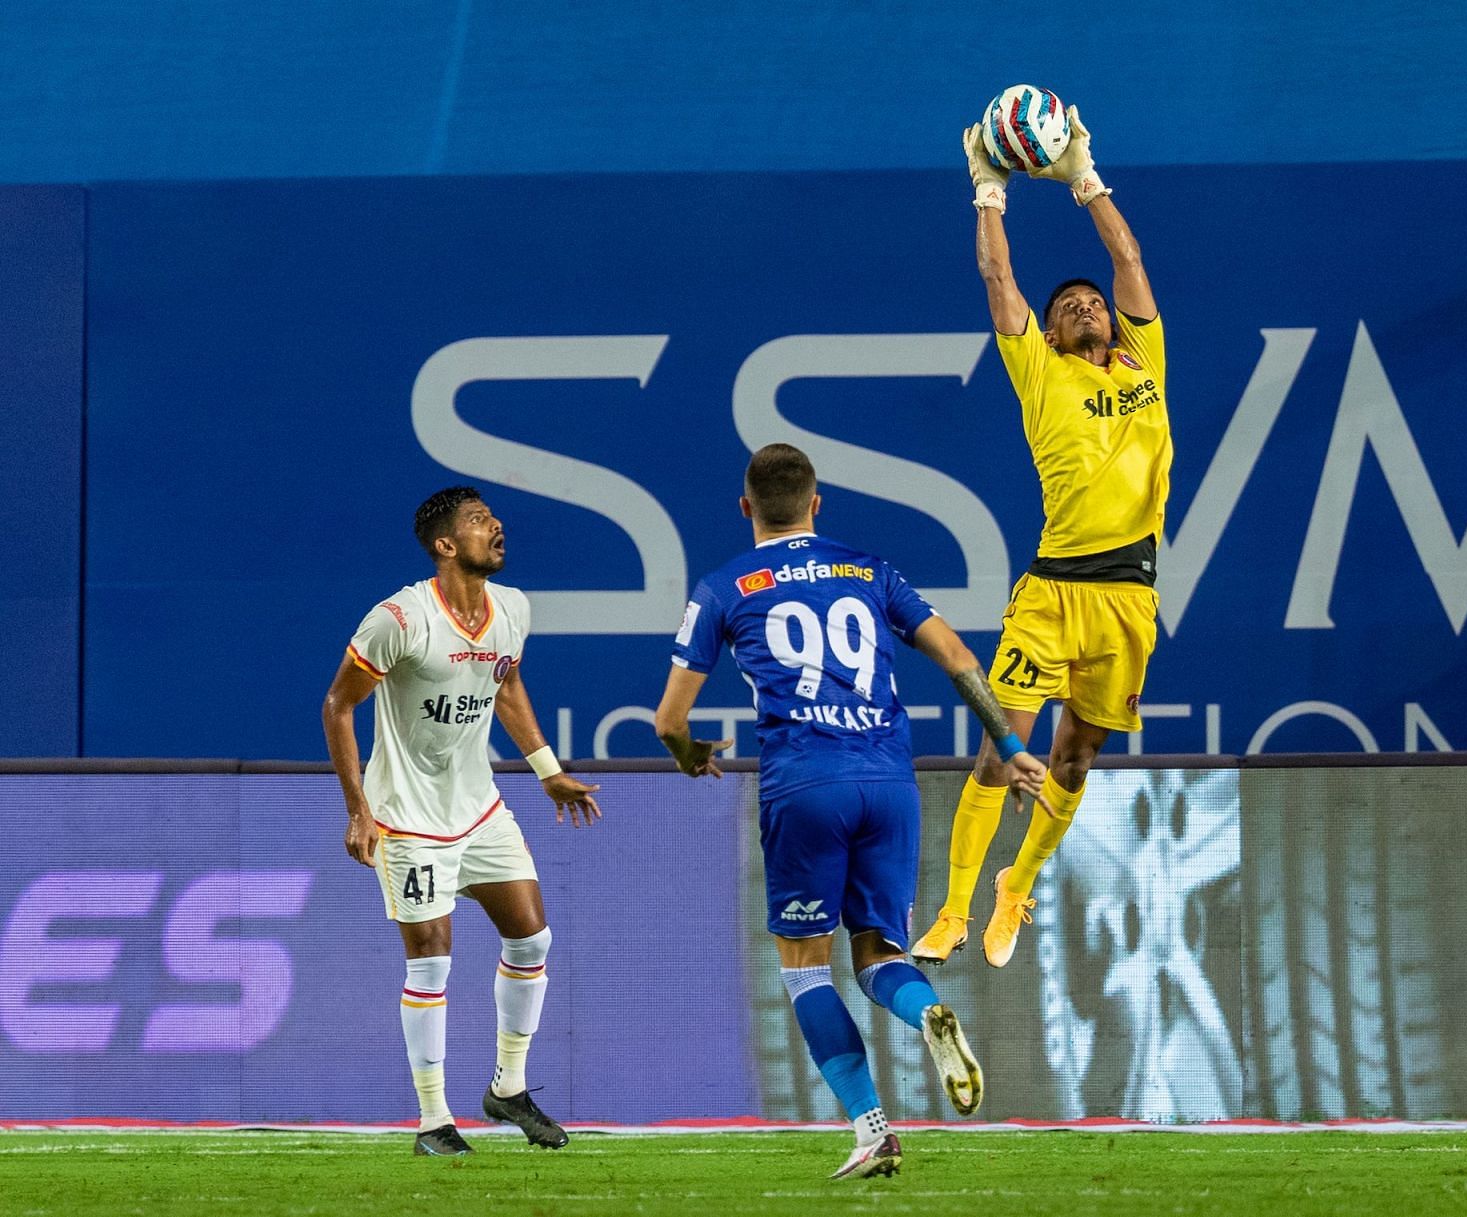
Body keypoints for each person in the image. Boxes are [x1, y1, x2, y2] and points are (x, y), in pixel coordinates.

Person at [655, 443, 1047, 1180]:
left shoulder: (721, 587)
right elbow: (959, 654)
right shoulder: (869, 569)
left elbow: (669, 718)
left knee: (806, 971)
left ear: (747, 508)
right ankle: (926, 1009)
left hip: (805, 786)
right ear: (817, 502)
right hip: (890, 784)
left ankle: (872, 1128)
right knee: (879, 957)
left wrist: (690, 753)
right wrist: (1009, 740)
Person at [912, 106, 1169, 969]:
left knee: (1078, 752)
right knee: (1003, 749)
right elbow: (998, 280)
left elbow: (1126, 257)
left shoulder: (1144, 361)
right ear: (1052, 333)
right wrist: (990, 189)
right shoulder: (1038, 368)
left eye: (1093, 301)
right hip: (1054, 590)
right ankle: (950, 909)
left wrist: (1085, 177)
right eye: (1070, 306)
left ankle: (1014, 888)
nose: (1088, 306)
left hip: (1129, 597)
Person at [322, 487, 603, 1156]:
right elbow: (338, 705)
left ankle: (508, 1087)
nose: (496, 527)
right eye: (479, 521)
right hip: (408, 817)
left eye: (493, 518)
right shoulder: (399, 618)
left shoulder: (512, 609)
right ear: (446, 544)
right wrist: (359, 809)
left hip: (479, 809)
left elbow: (506, 685)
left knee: (532, 939)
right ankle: (432, 1120)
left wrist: (547, 769)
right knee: (431, 961)